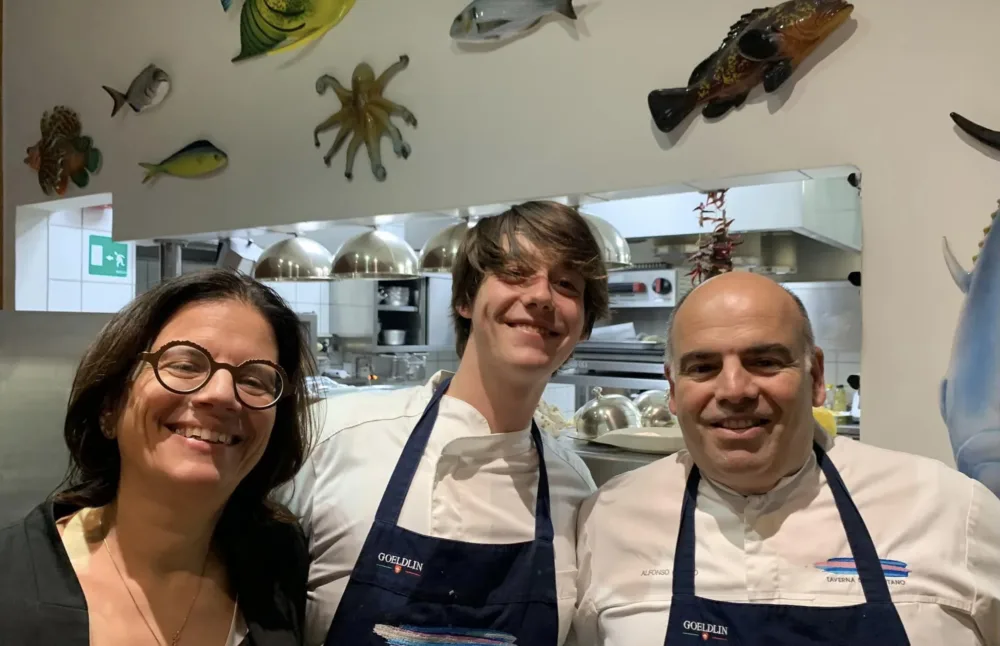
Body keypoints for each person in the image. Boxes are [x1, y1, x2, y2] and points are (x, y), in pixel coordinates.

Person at [573, 271, 1000, 645]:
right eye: (702, 367)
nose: (734, 390)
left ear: (815, 377)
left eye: (765, 361)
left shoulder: (952, 510)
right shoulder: (610, 520)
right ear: (672, 388)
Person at [279, 201, 609, 646]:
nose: (540, 296)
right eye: (515, 273)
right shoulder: (335, 436)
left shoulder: (576, 490)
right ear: (465, 299)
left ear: (584, 325)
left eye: (566, 283)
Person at [0, 269, 315, 646]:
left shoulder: (279, 565)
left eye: (254, 380)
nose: (222, 394)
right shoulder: (11, 580)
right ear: (110, 406)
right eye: (184, 365)